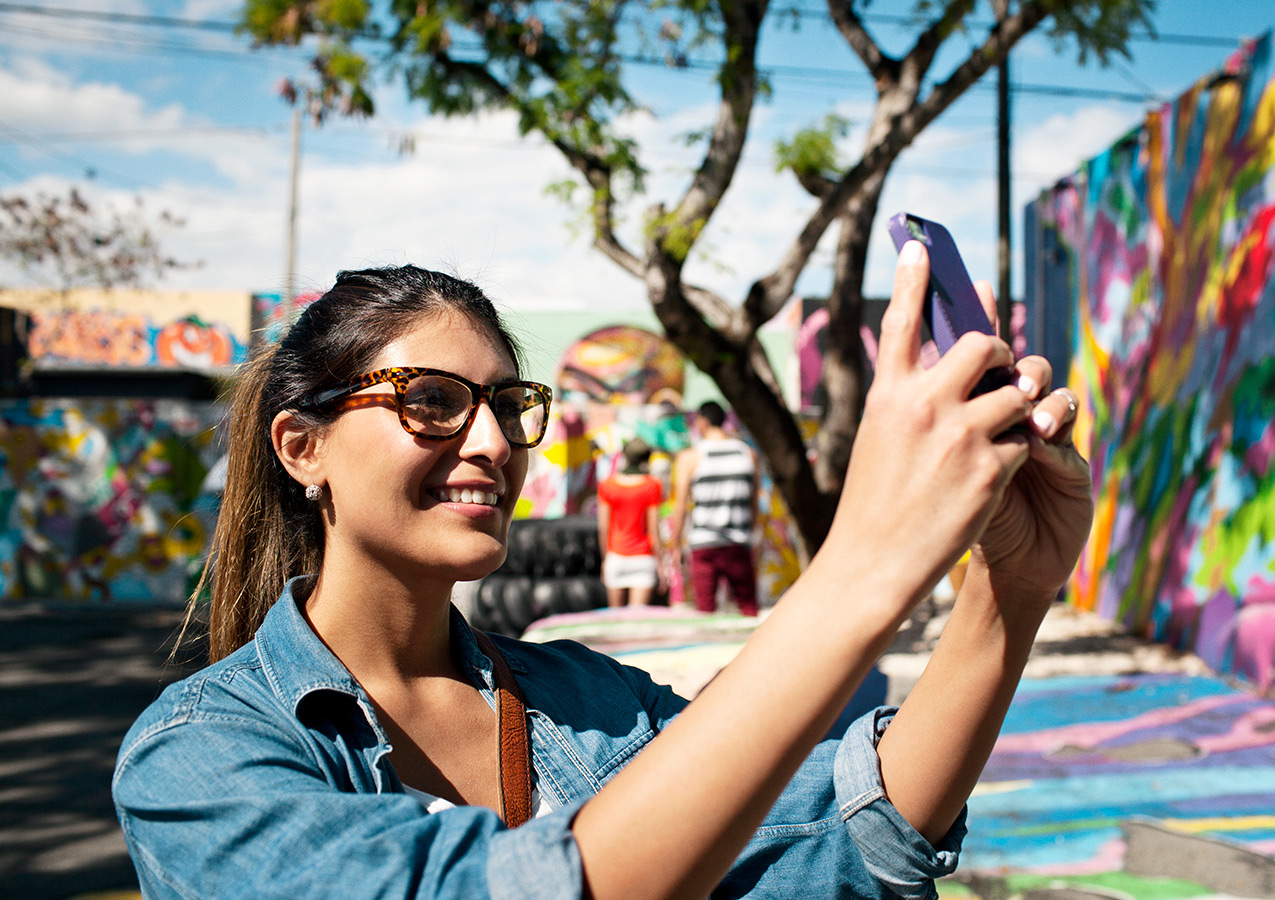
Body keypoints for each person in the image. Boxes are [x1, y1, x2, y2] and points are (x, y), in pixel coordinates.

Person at [112, 248, 1092, 900]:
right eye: (436, 401)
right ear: (301, 447)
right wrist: (864, 565)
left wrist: (1007, 591)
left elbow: (847, 836)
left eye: (507, 404)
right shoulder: (196, 762)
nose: (492, 443)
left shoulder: (592, 699)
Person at [670, 400, 761, 615]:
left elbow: (680, 504)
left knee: (705, 611)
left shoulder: (690, 457)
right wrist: (754, 535)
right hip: (739, 542)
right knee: (747, 609)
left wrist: (675, 544)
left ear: (702, 422)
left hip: (704, 544)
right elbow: (754, 500)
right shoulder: (747, 454)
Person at [596, 437, 664, 607]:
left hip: (616, 557)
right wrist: (661, 564)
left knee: (615, 620)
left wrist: (605, 560)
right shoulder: (652, 485)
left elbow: (603, 528)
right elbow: (654, 529)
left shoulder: (607, 485)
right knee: (637, 622)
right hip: (643, 559)